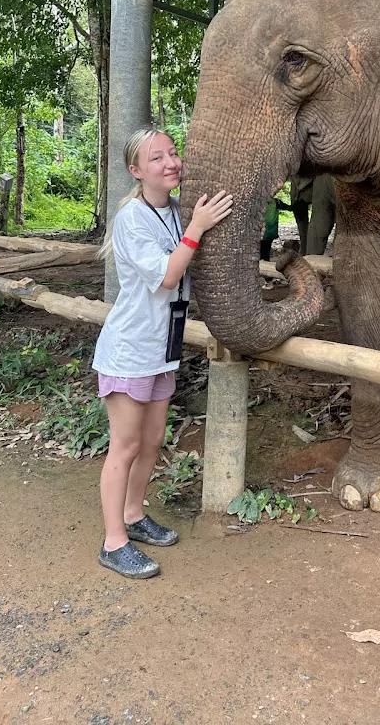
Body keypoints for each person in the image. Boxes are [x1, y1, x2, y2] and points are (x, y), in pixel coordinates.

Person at [93, 127, 233, 579]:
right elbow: (168, 276)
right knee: (126, 445)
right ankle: (114, 542)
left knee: (153, 441)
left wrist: (196, 222)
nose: (171, 162)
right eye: (157, 158)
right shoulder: (132, 219)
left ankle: (134, 514)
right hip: (130, 349)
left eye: (173, 153)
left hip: (163, 348)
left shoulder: (176, 210)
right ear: (135, 170)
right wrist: (197, 227)